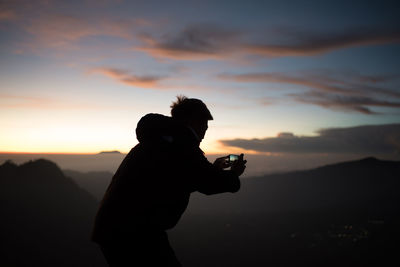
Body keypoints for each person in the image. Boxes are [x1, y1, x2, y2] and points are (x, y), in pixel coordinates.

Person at [92, 96, 247, 266]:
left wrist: (213, 168)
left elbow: (182, 176)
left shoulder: (159, 139)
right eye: (204, 125)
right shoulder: (182, 143)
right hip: (135, 232)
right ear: (192, 120)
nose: (204, 132)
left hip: (115, 227)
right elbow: (208, 183)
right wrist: (234, 175)